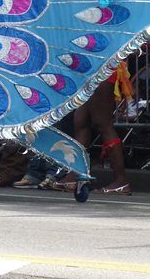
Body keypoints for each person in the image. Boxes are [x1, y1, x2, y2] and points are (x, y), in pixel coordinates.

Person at [51, 64, 131, 195]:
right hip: (90, 72)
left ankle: (121, 181)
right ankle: (75, 175)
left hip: (103, 69)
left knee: (103, 124)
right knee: (81, 121)